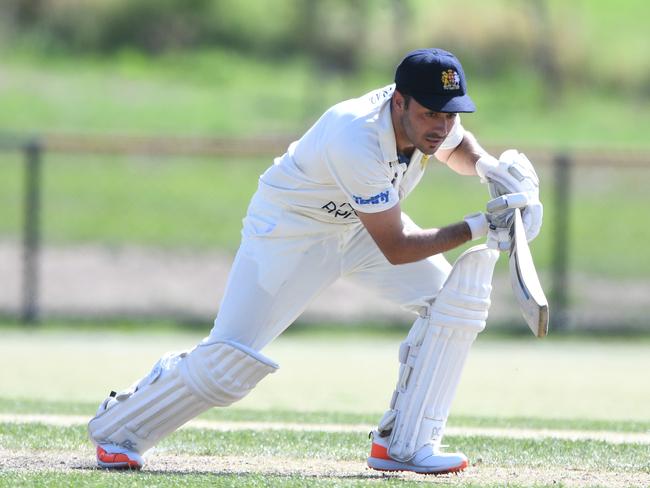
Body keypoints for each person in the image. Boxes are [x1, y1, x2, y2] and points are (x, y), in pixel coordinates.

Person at [88, 48, 542, 474]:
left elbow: (457, 147)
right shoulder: (355, 135)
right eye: (430, 115)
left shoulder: (429, 121)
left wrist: (491, 169)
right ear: (399, 102)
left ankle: (403, 444)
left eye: (449, 114)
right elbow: (397, 246)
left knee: (454, 303)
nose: (441, 127)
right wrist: (479, 225)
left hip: (357, 227)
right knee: (227, 363)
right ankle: (119, 427)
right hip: (292, 233)